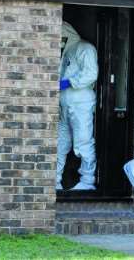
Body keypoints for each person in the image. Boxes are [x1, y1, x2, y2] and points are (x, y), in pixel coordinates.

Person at [56, 22, 98, 191]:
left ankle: (87, 180)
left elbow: (91, 73)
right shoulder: (67, 50)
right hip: (65, 104)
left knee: (83, 141)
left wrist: (70, 82)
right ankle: (55, 180)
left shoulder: (85, 48)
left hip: (81, 104)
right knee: (60, 143)